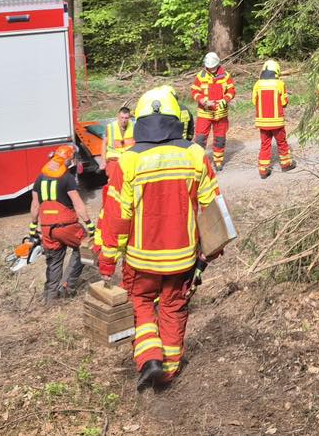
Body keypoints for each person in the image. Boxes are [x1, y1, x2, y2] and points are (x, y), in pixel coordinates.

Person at [98, 86, 220, 392]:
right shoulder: (195, 154)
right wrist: (211, 251)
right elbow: (211, 207)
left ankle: (150, 359)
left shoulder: (128, 160)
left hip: (141, 260)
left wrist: (107, 260)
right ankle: (168, 372)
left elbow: (116, 215)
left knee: (141, 303)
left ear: (139, 121)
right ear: (175, 118)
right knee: (173, 308)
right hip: (183, 258)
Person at [29, 144, 94, 302]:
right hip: (66, 226)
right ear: (69, 160)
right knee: (85, 248)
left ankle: (50, 298)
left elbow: (35, 205)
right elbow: (78, 204)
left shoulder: (39, 178)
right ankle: (66, 287)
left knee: (54, 261)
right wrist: (90, 226)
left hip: (47, 229)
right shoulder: (67, 178)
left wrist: (32, 228)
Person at [92, 107, 135, 263]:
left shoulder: (134, 126)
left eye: (126, 118)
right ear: (118, 116)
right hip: (114, 162)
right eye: (122, 118)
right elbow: (104, 144)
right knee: (113, 193)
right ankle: (112, 213)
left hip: (128, 162)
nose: (124, 120)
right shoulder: (110, 128)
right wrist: (103, 160)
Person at [190, 52, 236, 169]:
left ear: (218, 64)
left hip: (221, 113)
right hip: (204, 113)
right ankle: (199, 161)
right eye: (209, 67)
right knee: (200, 138)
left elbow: (231, 91)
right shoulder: (201, 76)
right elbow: (194, 92)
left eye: (213, 67)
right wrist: (203, 101)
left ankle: (218, 161)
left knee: (220, 138)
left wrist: (225, 100)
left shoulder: (225, 76)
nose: (211, 69)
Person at [252, 59, 293, 179]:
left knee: (265, 144)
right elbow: (284, 102)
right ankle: (286, 165)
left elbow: (254, 101)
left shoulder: (257, 84)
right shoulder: (280, 84)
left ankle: (263, 171)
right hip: (277, 122)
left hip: (262, 122)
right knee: (281, 142)